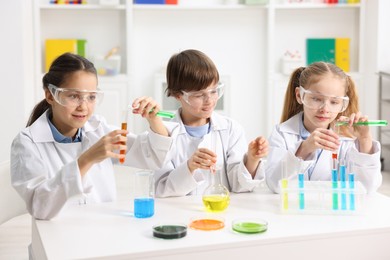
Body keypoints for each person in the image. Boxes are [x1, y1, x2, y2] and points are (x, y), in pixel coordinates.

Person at [10, 53, 172, 220]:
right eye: (73, 96)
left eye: (91, 97)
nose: (84, 106)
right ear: (51, 95)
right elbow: (40, 207)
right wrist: (87, 159)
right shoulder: (27, 143)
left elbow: (153, 158)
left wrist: (155, 120)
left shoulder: (99, 129)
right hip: (56, 238)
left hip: (102, 231)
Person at [154, 49, 268, 197]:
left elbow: (239, 186)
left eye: (214, 91)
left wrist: (252, 160)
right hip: (179, 214)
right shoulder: (163, 135)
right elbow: (162, 189)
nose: (209, 101)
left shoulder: (231, 129)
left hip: (220, 212)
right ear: (177, 95)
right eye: (199, 95)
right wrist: (189, 167)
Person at [265, 62, 382, 194]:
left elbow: (367, 188)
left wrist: (365, 139)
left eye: (334, 102)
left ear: (343, 103)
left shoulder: (348, 140)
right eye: (316, 99)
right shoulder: (282, 134)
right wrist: (304, 149)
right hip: (293, 211)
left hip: (334, 212)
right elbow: (275, 185)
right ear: (299, 95)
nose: (325, 109)